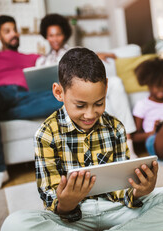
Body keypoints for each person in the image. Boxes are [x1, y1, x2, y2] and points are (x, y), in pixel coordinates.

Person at [0, 48, 163, 231]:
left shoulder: (115, 127)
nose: (90, 114)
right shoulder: (45, 134)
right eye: (80, 105)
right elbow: (51, 200)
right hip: (72, 220)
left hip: (118, 211)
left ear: (106, 87)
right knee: (14, 227)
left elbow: (122, 191)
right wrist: (66, 203)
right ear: (59, 92)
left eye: (99, 103)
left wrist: (139, 191)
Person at [0, 15, 63, 193]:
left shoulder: (32, 57)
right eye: (7, 31)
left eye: (15, 30)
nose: (14, 34)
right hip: (1, 95)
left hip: (28, 98)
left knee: (66, 95)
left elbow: (57, 63)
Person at [36, 13, 138, 159]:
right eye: (51, 35)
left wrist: (98, 55)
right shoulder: (41, 61)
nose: (55, 39)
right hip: (57, 95)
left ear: (64, 34)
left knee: (115, 82)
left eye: (58, 34)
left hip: (82, 89)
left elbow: (88, 65)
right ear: (46, 36)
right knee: (95, 100)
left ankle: (128, 143)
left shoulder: (75, 51)